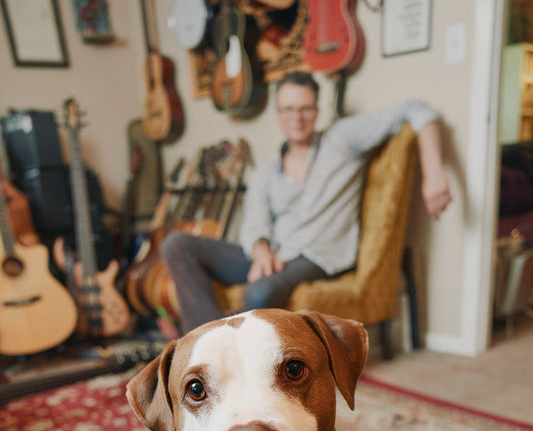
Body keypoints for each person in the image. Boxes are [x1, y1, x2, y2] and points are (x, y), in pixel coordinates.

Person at [161, 71, 452, 334]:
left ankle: (213, 342)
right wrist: (261, 251)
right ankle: (207, 341)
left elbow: (417, 109)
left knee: (260, 292)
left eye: (305, 108)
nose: (296, 117)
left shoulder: (341, 140)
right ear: (278, 113)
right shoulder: (266, 170)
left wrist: (434, 175)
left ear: (317, 111)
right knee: (176, 245)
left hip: (317, 256)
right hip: (275, 254)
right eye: (288, 109)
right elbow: (255, 220)